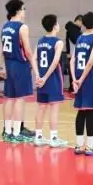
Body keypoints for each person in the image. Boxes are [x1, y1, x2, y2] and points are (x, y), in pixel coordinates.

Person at [0, 0, 37, 142]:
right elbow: (27, 51)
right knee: (20, 100)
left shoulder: (5, 26)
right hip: (20, 65)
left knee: (9, 99)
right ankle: (16, 133)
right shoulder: (22, 27)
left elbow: (1, 50)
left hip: (9, 63)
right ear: (18, 10)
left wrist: (2, 66)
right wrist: (36, 69)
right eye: (24, 9)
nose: (25, 11)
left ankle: (7, 131)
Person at [33, 14, 68, 147]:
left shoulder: (40, 41)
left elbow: (34, 58)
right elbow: (55, 62)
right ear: (54, 26)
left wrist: (38, 76)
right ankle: (53, 138)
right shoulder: (58, 42)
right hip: (52, 79)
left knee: (41, 107)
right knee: (54, 108)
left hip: (41, 78)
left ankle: (38, 137)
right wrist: (45, 78)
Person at [71, 12, 93, 155]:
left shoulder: (80, 38)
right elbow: (90, 62)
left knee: (81, 111)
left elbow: (73, 59)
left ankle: (78, 145)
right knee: (90, 112)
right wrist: (81, 79)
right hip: (89, 79)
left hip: (78, 76)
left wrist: (75, 79)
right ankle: (89, 146)